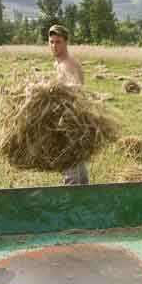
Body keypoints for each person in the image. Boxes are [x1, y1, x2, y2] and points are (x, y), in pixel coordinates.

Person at [48, 24, 89, 186]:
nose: (54, 46)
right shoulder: (58, 64)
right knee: (77, 166)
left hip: (71, 120)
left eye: (58, 42)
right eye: (51, 42)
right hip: (69, 119)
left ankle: (71, 205)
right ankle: (86, 200)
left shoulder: (67, 65)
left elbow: (76, 89)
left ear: (66, 42)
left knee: (70, 169)